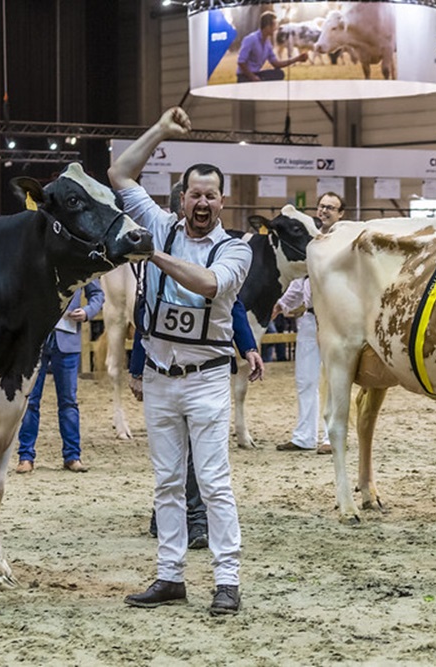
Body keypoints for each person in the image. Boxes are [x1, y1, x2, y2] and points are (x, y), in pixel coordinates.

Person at [110, 106, 252, 616]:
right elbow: (120, 173)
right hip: (159, 376)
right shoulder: (160, 223)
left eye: (211, 195)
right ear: (182, 196)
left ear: (222, 200)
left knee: (213, 482)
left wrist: (152, 255)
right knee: (167, 482)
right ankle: (170, 577)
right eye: (194, 194)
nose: (202, 202)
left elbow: (208, 284)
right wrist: (161, 131)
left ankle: (227, 579)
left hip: (207, 379)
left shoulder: (234, 249)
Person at [131, 299, 264, 550]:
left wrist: (248, 347)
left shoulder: (213, 265)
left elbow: (233, 303)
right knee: (173, 452)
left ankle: (196, 517)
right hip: (163, 370)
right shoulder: (159, 268)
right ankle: (173, 514)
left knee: (199, 452)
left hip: (207, 371)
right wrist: (137, 369)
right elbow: (146, 314)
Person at [274, 191, 345, 454]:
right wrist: (282, 305)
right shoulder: (310, 241)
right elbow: (301, 281)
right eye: (322, 206)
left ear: (340, 214)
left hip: (335, 320)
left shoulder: (343, 243)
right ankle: (304, 436)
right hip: (308, 319)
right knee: (305, 380)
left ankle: (331, 437)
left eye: (331, 207)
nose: (324, 211)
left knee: (333, 380)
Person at [15, 279, 104, 474]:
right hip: (35, 339)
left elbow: (97, 294)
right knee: (30, 400)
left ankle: (72, 456)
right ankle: (25, 456)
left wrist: (87, 311)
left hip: (68, 338)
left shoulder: (78, 258)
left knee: (68, 401)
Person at [237, 11, 307, 83]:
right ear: (268, 27)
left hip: (257, 74)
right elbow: (241, 62)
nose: (276, 29)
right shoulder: (250, 39)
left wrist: (297, 59)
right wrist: (253, 77)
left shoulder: (267, 44)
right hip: (244, 76)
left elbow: (276, 64)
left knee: (279, 73)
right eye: (274, 26)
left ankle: (260, 84)